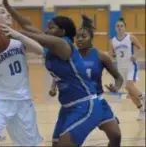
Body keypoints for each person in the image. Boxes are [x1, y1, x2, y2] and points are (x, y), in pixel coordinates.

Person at [2, 0, 104, 146]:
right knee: (56, 144)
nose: (46, 30)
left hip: (85, 103)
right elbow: (27, 25)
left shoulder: (65, 45)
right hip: (66, 107)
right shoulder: (51, 45)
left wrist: (13, 32)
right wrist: (8, 6)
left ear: (62, 31)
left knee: (65, 143)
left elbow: (34, 35)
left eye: (51, 27)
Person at [0, 4, 43, 146]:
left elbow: (40, 50)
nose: (8, 14)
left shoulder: (18, 39)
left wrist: (17, 34)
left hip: (23, 100)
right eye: (2, 12)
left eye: (7, 12)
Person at [50, 15, 123, 147]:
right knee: (63, 142)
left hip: (97, 101)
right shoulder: (69, 54)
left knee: (116, 136)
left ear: (91, 38)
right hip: (78, 103)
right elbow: (59, 73)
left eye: (84, 36)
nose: (79, 40)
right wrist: (53, 85)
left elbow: (119, 77)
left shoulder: (101, 56)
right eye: (77, 37)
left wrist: (116, 88)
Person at [109, 17, 145, 120]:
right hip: (121, 68)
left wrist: (136, 55)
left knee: (129, 86)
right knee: (130, 92)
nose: (119, 27)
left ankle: (143, 97)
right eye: (117, 26)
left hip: (131, 66)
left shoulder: (130, 37)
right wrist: (111, 56)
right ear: (115, 28)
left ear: (125, 28)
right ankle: (142, 110)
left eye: (121, 26)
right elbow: (111, 54)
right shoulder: (112, 41)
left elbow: (141, 48)